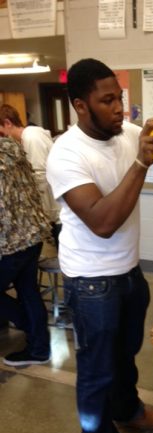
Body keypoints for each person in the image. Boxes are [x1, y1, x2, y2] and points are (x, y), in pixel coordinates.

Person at [46, 58, 153, 433]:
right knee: (97, 371)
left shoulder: (128, 133)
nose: (119, 109)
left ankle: (127, 409)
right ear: (80, 105)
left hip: (129, 272)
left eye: (119, 98)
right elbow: (102, 222)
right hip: (91, 283)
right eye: (107, 101)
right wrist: (141, 162)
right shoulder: (66, 154)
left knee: (125, 356)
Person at [0, 137, 52, 366]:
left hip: (10, 243)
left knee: (27, 292)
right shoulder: (11, 148)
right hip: (32, 235)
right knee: (28, 291)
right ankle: (39, 348)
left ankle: (28, 326)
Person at [0, 104, 61, 248]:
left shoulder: (32, 138)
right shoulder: (28, 137)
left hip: (56, 210)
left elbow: (40, 177)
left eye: (2, 133)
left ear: (8, 123)